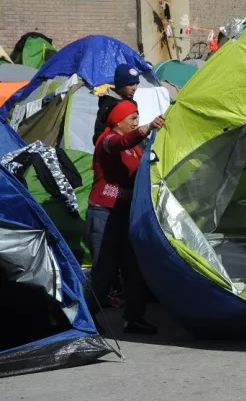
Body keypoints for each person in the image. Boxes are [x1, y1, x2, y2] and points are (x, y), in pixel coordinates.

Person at [85, 100, 165, 335]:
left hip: (125, 214)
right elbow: (121, 142)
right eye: (132, 118)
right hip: (104, 213)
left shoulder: (135, 148)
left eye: (138, 118)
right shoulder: (107, 141)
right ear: (118, 121)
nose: (136, 122)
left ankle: (134, 318)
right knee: (104, 270)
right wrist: (147, 128)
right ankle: (86, 319)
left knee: (133, 268)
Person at [93, 64, 141, 145]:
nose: (135, 88)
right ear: (121, 84)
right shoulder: (108, 105)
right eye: (131, 84)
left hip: (129, 146)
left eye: (136, 84)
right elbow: (98, 135)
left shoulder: (133, 104)